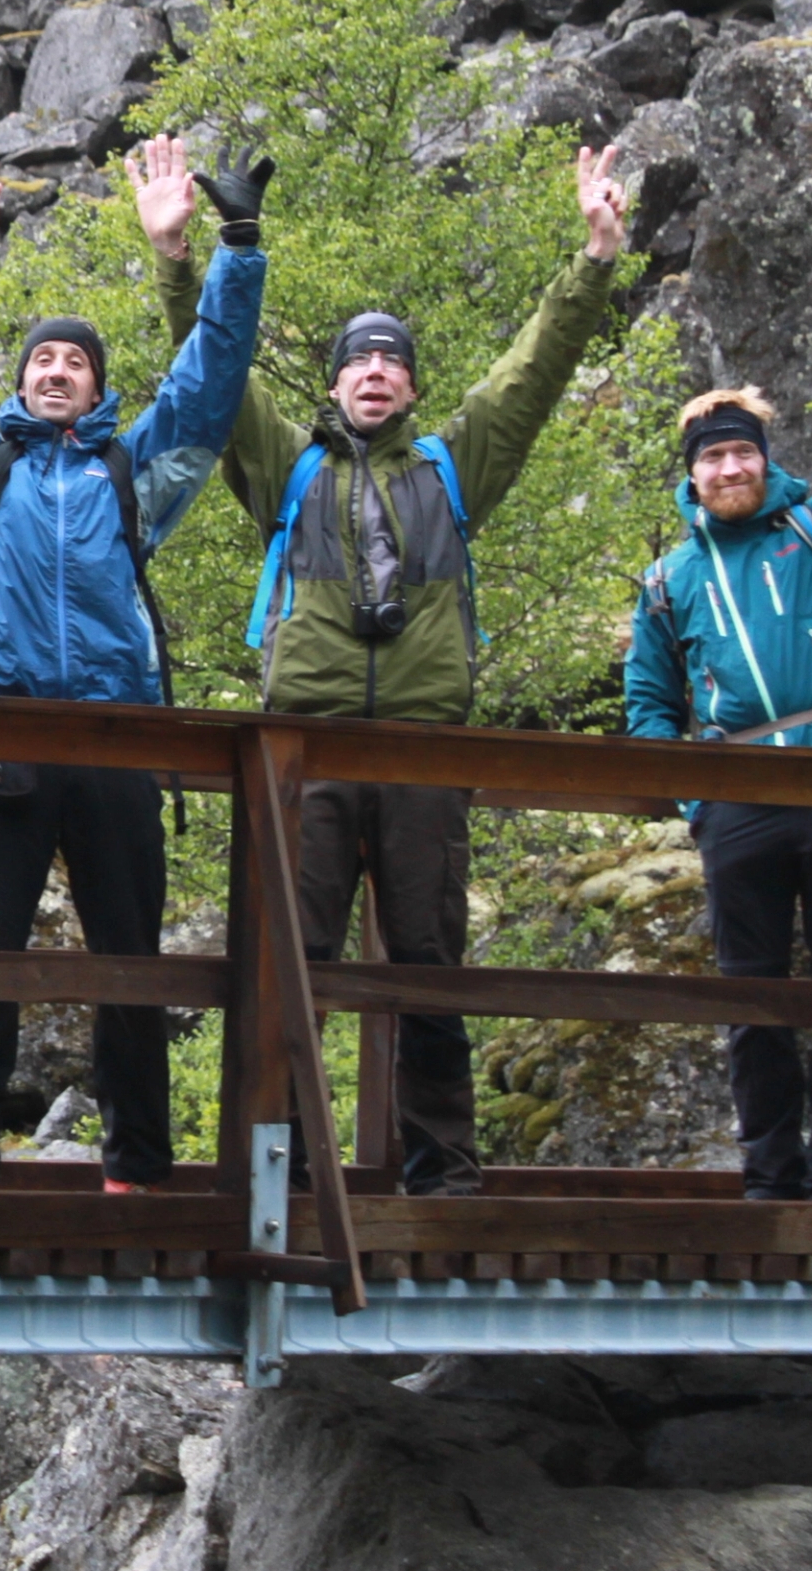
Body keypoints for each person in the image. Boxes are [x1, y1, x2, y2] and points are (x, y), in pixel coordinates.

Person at [151, 140, 627, 1196]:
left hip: (421, 749)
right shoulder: (288, 464)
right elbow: (213, 372)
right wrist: (181, 261)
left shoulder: (459, 464)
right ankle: (283, 1163)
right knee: (294, 964)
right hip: (304, 751)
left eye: (391, 360)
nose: (375, 372)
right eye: (358, 360)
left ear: (411, 384)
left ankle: (441, 1165)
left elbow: (536, 367)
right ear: (333, 382)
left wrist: (594, 258)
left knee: (428, 965)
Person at [0, 136, 263, 1193]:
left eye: (76, 362)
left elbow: (211, 380)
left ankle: (137, 1163)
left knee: (129, 965)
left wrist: (230, 247)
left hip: (116, 736)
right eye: (42, 360)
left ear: (97, 387)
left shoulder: (136, 472)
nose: (57, 371)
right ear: (23, 382)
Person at [626, 262, 812, 1203]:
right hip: (739, 797)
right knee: (750, 998)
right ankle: (769, 1173)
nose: (728, 469)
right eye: (710, 459)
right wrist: (696, 800)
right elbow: (648, 703)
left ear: (763, 455)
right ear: (692, 476)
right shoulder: (670, 579)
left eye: (740, 452)